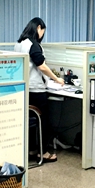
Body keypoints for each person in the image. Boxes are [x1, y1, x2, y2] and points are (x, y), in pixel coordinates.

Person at [15, 17, 64, 163]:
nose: (43, 34)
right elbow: (41, 66)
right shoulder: (33, 44)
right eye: (43, 31)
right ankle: (43, 153)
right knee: (44, 121)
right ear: (38, 28)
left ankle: (31, 149)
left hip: (24, 89)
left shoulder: (19, 44)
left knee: (30, 121)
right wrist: (57, 79)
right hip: (36, 89)